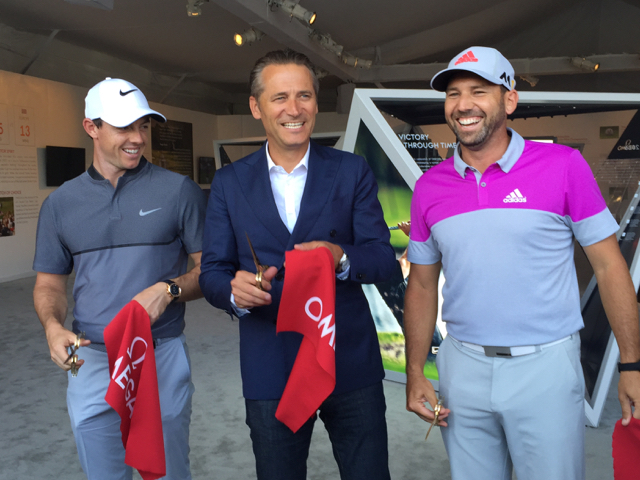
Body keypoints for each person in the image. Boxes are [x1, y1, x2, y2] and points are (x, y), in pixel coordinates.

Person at [404, 46, 640, 480]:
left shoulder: (563, 165)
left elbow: (609, 267)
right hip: (462, 366)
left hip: (545, 368)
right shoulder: (429, 187)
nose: (463, 105)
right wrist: (415, 369)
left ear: (509, 99)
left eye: (479, 90)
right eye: (453, 94)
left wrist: (632, 364)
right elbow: (420, 285)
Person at [199, 49, 396, 480]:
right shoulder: (230, 182)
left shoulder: (351, 171)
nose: (294, 109)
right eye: (279, 97)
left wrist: (340, 258)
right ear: (256, 107)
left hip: (348, 358)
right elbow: (211, 271)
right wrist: (233, 293)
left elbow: (383, 259)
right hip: (271, 363)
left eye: (304, 95)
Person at [33, 77, 206, 480]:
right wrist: (52, 327)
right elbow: (49, 285)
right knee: (103, 473)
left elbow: (209, 272)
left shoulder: (179, 191)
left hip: (160, 352)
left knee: (167, 472)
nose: (138, 138)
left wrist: (169, 289)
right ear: (91, 127)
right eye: (124, 127)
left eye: (143, 126)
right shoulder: (59, 205)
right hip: (89, 357)